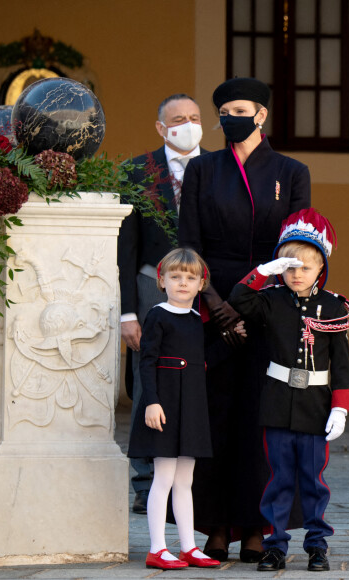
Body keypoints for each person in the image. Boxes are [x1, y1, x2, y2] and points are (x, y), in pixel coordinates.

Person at [179, 77, 311, 562]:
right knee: (215, 415)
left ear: (261, 115)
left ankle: (258, 525)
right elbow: (188, 243)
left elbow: (298, 247)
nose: (232, 116)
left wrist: (260, 298)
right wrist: (216, 305)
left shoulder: (291, 171)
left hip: (271, 302)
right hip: (212, 303)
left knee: (262, 418)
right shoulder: (202, 169)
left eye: (242, 108)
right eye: (225, 109)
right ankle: (214, 525)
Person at [228, 208, 349, 572]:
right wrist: (261, 273)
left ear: (321, 269)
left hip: (316, 406)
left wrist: (340, 407)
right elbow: (239, 300)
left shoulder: (333, 308)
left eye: (305, 267)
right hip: (278, 403)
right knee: (279, 479)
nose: (296, 274)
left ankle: (317, 544)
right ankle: (275, 545)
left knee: (313, 481)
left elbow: (341, 364)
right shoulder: (271, 298)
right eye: (289, 266)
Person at [118, 94, 205, 514]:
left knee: (199, 383)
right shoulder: (136, 171)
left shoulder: (220, 167)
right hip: (152, 285)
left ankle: (194, 481)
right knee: (148, 378)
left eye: (194, 118)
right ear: (160, 127)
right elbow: (126, 248)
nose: (187, 125)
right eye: (177, 120)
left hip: (207, 291)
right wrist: (128, 312)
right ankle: (144, 481)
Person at [127, 248, 220, 570]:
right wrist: (151, 402)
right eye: (176, 277)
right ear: (161, 280)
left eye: (190, 278)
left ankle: (189, 547)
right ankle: (157, 548)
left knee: (185, 481)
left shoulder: (197, 320)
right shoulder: (158, 314)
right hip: (164, 405)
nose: (183, 283)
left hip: (190, 407)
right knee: (163, 477)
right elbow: (148, 361)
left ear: (201, 284)